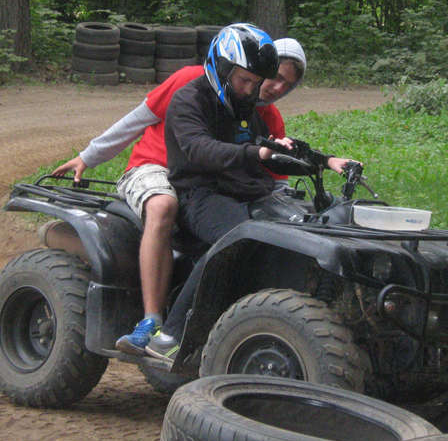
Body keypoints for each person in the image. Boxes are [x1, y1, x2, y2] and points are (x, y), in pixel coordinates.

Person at [51, 35, 309, 356]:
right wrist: (89, 156)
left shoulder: (264, 113)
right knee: (163, 205)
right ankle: (151, 322)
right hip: (155, 164)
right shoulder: (190, 81)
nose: (277, 88)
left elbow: (274, 175)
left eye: (288, 85)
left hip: (205, 180)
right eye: (276, 77)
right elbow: (138, 119)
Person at [145, 23, 353, 365]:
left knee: (310, 224)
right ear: (221, 68)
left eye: (256, 83)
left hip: (248, 193)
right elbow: (200, 150)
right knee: (237, 238)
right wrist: (257, 153)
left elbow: (269, 150)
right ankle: (171, 334)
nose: (250, 89)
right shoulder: (189, 100)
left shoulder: (246, 107)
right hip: (200, 194)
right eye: (244, 80)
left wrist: (325, 161)